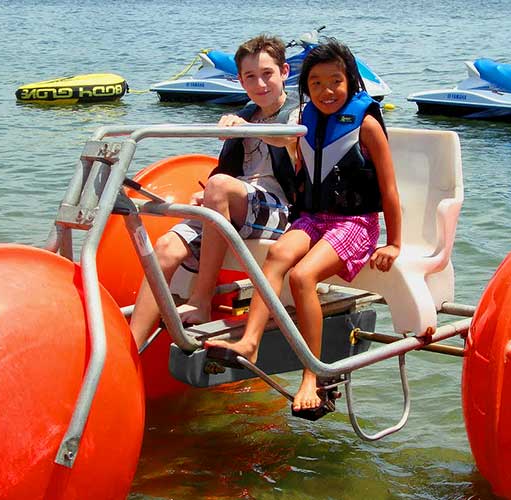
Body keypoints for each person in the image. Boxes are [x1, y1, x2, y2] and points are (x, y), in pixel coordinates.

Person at [205, 39, 402, 412]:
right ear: (305, 87)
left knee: (302, 277)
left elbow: (390, 190)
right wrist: (243, 128)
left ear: (351, 82)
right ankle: (250, 341)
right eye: (316, 84)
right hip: (313, 217)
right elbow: (282, 139)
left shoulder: (368, 124)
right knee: (278, 256)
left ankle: (313, 372)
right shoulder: (305, 121)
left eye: (335, 81)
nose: (327, 91)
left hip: (355, 222)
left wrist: (394, 244)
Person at [129, 34, 300, 348]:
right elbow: (225, 172)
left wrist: (242, 130)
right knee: (166, 247)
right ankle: (129, 349)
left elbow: (287, 138)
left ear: (284, 72)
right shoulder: (248, 112)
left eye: (267, 74)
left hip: (282, 209)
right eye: (250, 77)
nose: (260, 84)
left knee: (219, 187)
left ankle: (201, 299)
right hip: (240, 203)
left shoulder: (297, 111)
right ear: (240, 80)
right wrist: (210, 195)